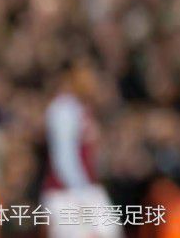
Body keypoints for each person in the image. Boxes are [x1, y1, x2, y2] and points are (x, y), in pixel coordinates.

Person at [41, 59, 123, 238]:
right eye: (86, 75)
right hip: (66, 193)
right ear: (71, 78)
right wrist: (84, 195)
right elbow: (63, 158)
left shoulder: (81, 109)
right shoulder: (63, 109)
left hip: (82, 188)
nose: (92, 81)